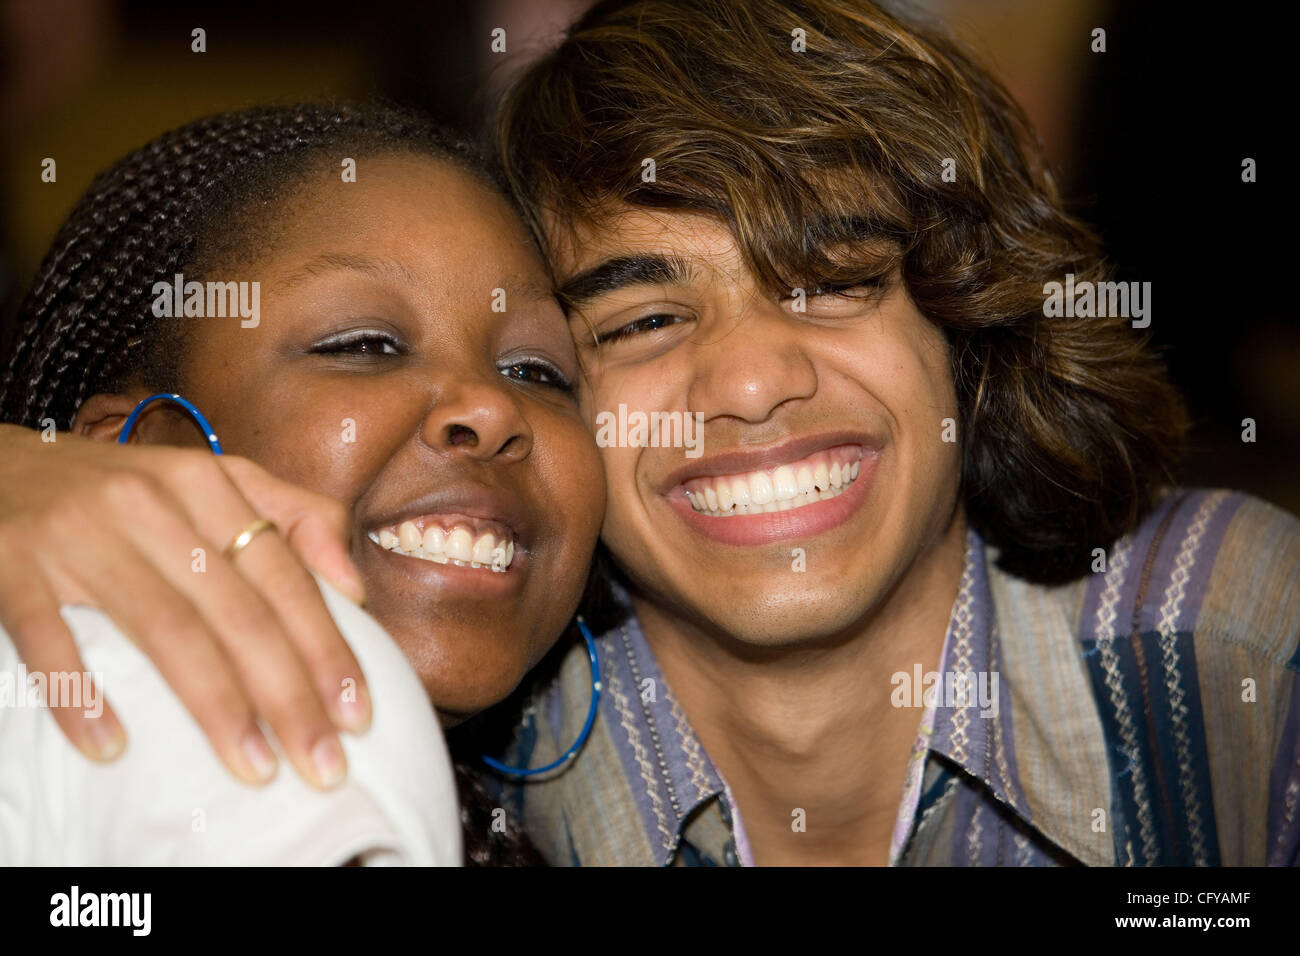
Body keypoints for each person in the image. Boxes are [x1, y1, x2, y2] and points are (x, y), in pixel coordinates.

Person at [483, 0, 1300, 865]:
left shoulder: (1236, 644)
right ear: (543, 397)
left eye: (833, 282)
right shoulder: (460, 774)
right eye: (644, 320)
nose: (753, 383)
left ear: (971, 329)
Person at [0, 103, 603, 865]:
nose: (490, 407)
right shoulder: (128, 706)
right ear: (129, 452)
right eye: (364, 345)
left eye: (537, 372)